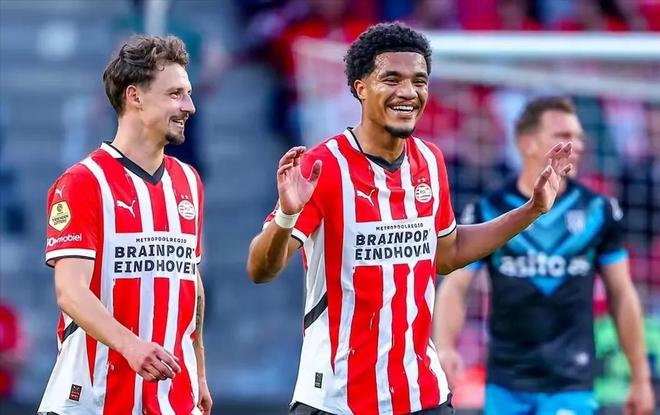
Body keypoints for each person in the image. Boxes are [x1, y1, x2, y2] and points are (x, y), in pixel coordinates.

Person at [247, 22, 573, 415]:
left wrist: (532, 210)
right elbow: (260, 270)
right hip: (337, 399)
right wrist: (287, 215)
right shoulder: (323, 166)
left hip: (422, 395)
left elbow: (447, 253)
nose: (408, 92)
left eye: (419, 81)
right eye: (392, 79)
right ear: (360, 87)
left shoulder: (430, 161)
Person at [434, 96, 655, 415]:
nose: (577, 145)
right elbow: (456, 286)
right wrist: (444, 347)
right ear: (528, 143)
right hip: (505, 382)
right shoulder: (490, 210)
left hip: (572, 384)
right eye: (563, 136)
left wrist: (640, 377)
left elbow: (622, 293)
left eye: (579, 136)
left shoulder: (598, 211)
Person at [38, 35, 212, 415]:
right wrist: (131, 346)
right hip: (91, 402)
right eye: (176, 94)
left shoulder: (189, 182)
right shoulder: (83, 182)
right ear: (135, 97)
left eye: (188, 94)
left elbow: (189, 282)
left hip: (170, 402)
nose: (190, 106)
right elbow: (70, 291)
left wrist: (198, 371)